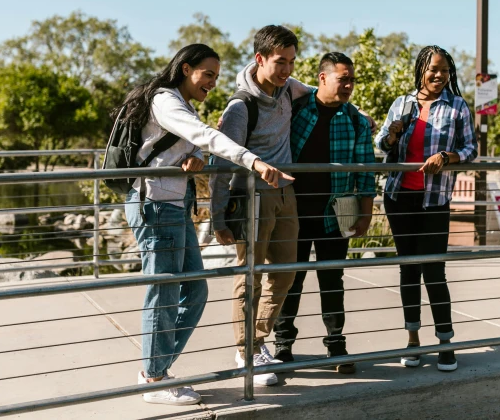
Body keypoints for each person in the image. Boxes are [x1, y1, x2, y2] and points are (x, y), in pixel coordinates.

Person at [121, 43, 292, 405]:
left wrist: (195, 158)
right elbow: (204, 134)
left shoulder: (181, 103)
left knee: (194, 291)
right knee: (163, 291)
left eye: (216, 75)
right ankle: (154, 377)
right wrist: (253, 161)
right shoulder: (165, 100)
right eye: (208, 74)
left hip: (174, 204)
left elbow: (192, 144)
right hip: (154, 206)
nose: (213, 82)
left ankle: (157, 367)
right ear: (186, 69)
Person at [210, 25, 313, 387]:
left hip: (286, 192)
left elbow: (319, 92)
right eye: (280, 62)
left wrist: (357, 112)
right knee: (249, 273)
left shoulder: (289, 88)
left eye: (292, 62)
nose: (287, 70)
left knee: (286, 271)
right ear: (260, 59)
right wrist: (217, 216)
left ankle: (257, 339)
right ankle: (246, 351)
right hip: (251, 194)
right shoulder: (240, 107)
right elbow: (222, 163)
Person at [375, 45, 477, 372]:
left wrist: (446, 157)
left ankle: (446, 343)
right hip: (399, 197)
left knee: (434, 269)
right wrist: (392, 134)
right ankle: (413, 340)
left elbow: (470, 148)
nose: (439, 75)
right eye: (434, 69)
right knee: (408, 269)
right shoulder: (401, 104)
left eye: (445, 70)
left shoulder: (457, 105)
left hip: (435, 200)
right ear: (421, 69)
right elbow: (381, 145)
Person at [272, 52, 376, 374]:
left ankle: (336, 345)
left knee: (332, 279)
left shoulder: (356, 121)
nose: (348, 86)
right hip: (294, 211)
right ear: (322, 78)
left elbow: (366, 172)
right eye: (342, 79)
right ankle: (283, 346)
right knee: (291, 279)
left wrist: (365, 214)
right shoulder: (297, 111)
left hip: (339, 210)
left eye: (351, 80)